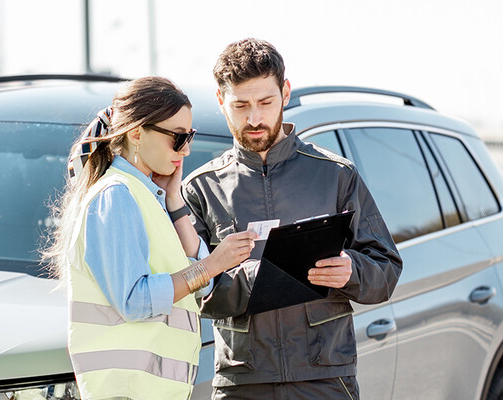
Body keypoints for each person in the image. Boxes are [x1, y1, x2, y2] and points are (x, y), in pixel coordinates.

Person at [182, 38, 403, 399]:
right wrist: (262, 275)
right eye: (240, 105)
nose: (254, 118)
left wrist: (352, 271)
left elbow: (387, 270)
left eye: (265, 102)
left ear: (285, 93)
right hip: (242, 383)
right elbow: (188, 290)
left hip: (326, 380)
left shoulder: (336, 175)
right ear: (222, 101)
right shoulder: (200, 189)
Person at [44, 76, 257, 400]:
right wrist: (212, 264)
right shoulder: (116, 197)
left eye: (190, 137)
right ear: (135, 134)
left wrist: (175, 203)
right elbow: (135, 300)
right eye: (178, 137)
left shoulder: (145, 195)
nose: (186, 149)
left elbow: (202, 288)